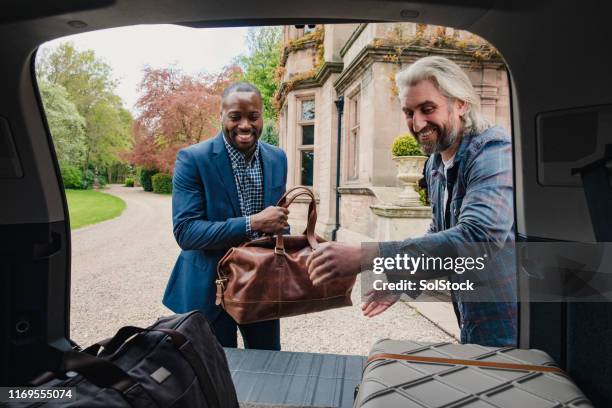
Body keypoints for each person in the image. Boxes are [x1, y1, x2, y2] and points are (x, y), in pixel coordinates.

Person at [306, 56, 517, 347]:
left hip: (508, 322)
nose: (417, 124)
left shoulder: (493, 151)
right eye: (408, 112)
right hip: (470, 316)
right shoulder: (434, 164)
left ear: (461, 104)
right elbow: (439, 230)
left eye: (427, 109)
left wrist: (365, 255)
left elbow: (479, 236)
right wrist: (403, 281)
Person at [163, 82, 289, 350]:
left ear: (262, 116)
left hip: (261, 288)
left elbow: (278, 221)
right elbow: (186, 232)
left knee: (267, 365)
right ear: (221, 115)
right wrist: (253, 222)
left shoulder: (278, 158)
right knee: (216, 374)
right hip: (209, 290)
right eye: (235, 117)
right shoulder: (193, 159)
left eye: (253, 117)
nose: (245, 125)